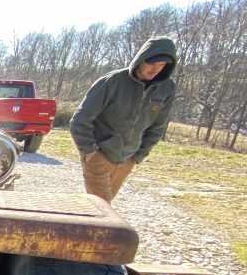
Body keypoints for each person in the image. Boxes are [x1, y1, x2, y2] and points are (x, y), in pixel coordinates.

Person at [70, 36, 178, 203]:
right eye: (151, 63)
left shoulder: (167, 89)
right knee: (102, 209)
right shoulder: (112, 82)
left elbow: (157, 128)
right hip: (99, 155)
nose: (155, 69)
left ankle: (73, 226)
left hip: (127, 160)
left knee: (98, 208)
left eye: (162, 65)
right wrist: (91, 152)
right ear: (141, 59)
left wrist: (137, 157)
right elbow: (80, 120)